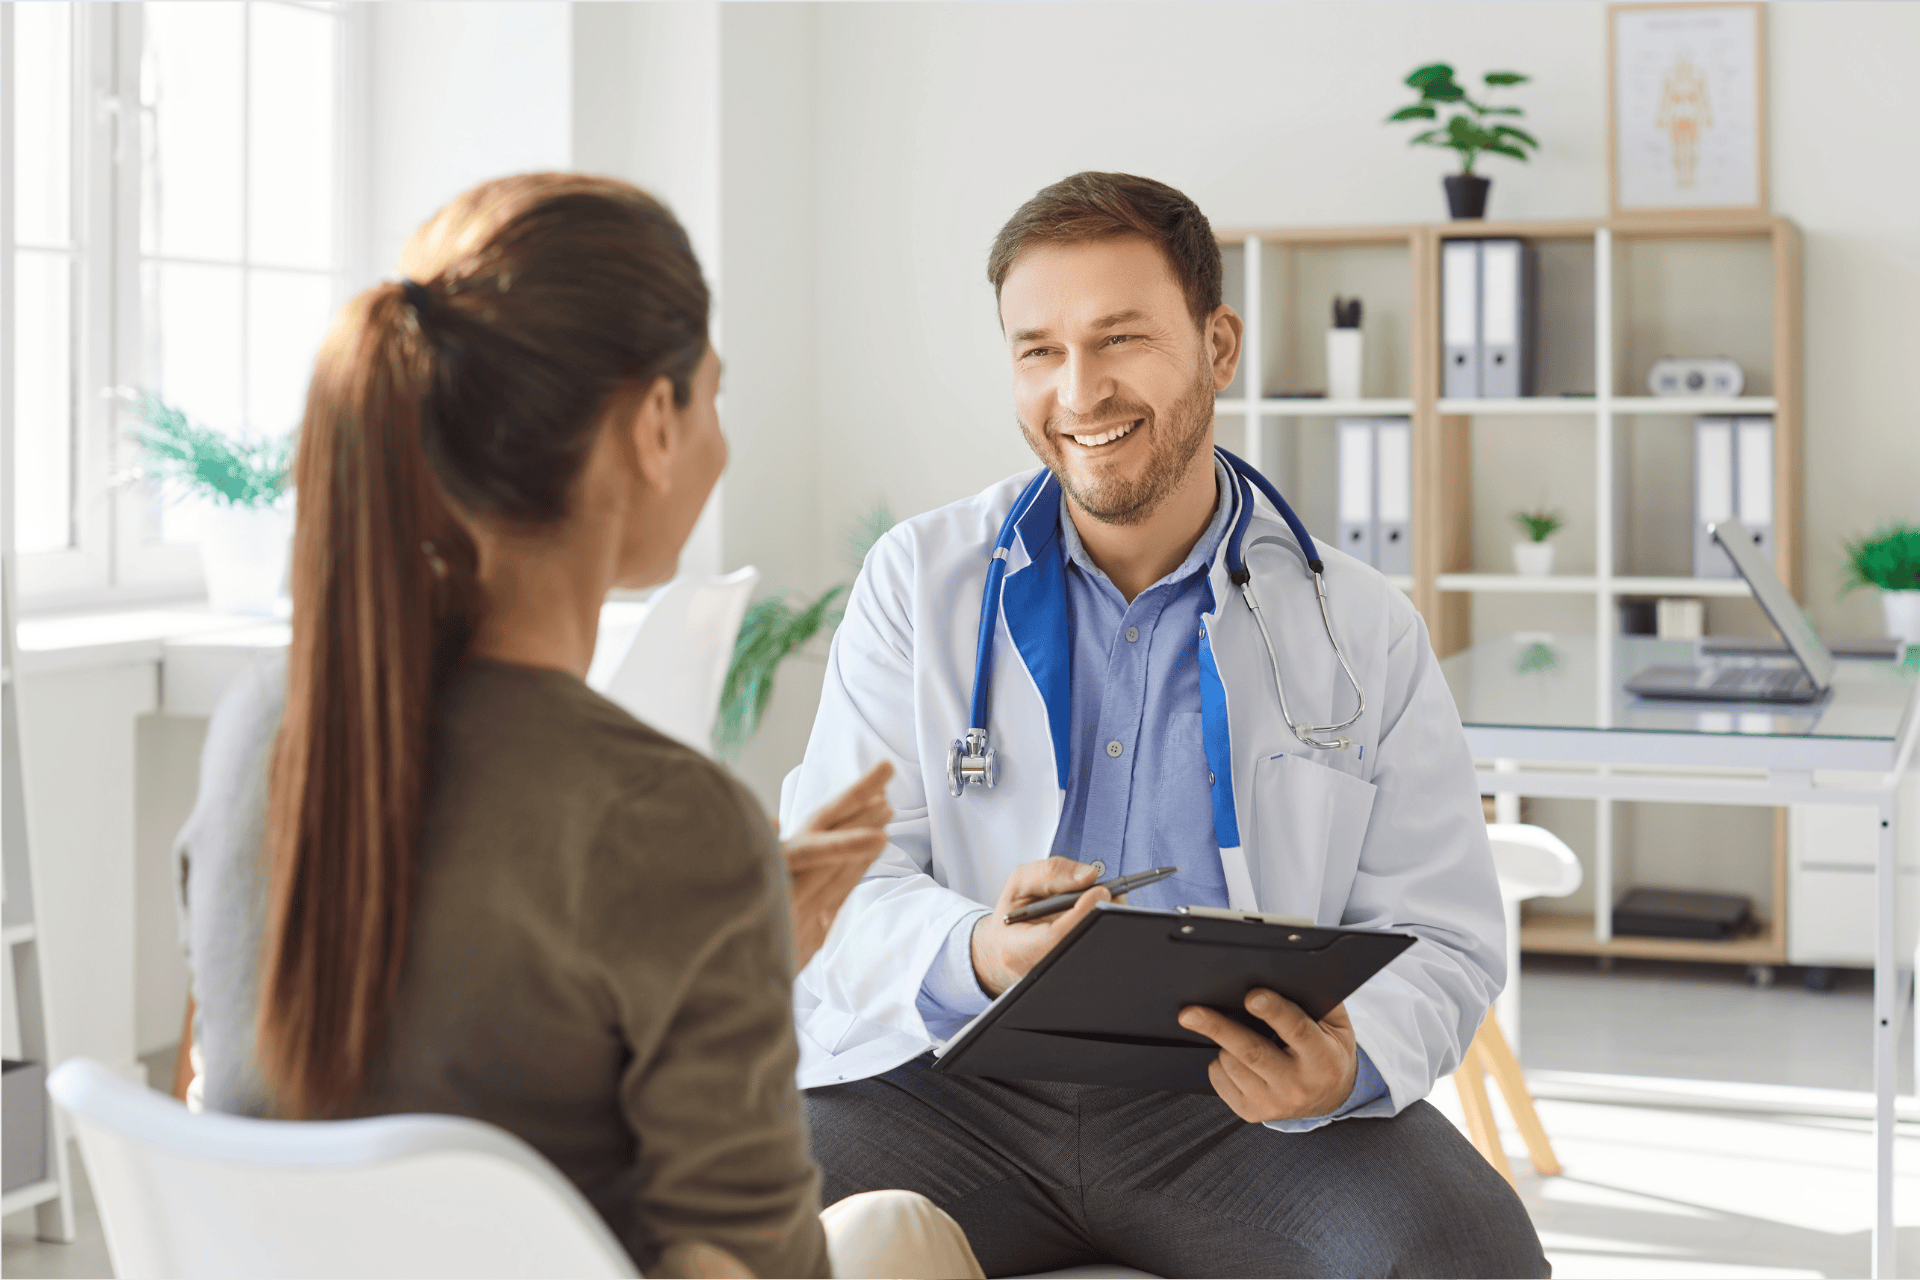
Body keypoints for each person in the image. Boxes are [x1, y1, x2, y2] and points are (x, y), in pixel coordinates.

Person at [172, 174, 982, 1280]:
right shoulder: (666, 819)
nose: (722, 442)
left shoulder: (264, 725)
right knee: (904, 1231)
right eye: (713, 398)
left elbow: (250, 1084)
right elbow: (755, 1263)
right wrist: (728, 948)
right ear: (655, 423)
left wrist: (734, 955)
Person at [785, 172, 1549, 1278]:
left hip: (1234, 1105)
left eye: (1120, 339)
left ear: (1218, 346)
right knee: (690, 1217)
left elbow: (1444, 931)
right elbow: (834, 884)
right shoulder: (920, 582)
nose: (1079, 390)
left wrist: (1342, 1065)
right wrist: (980, 951)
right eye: (1038, 350)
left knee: (1464, 1248)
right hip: (947, 1084)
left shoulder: (1361, 622)